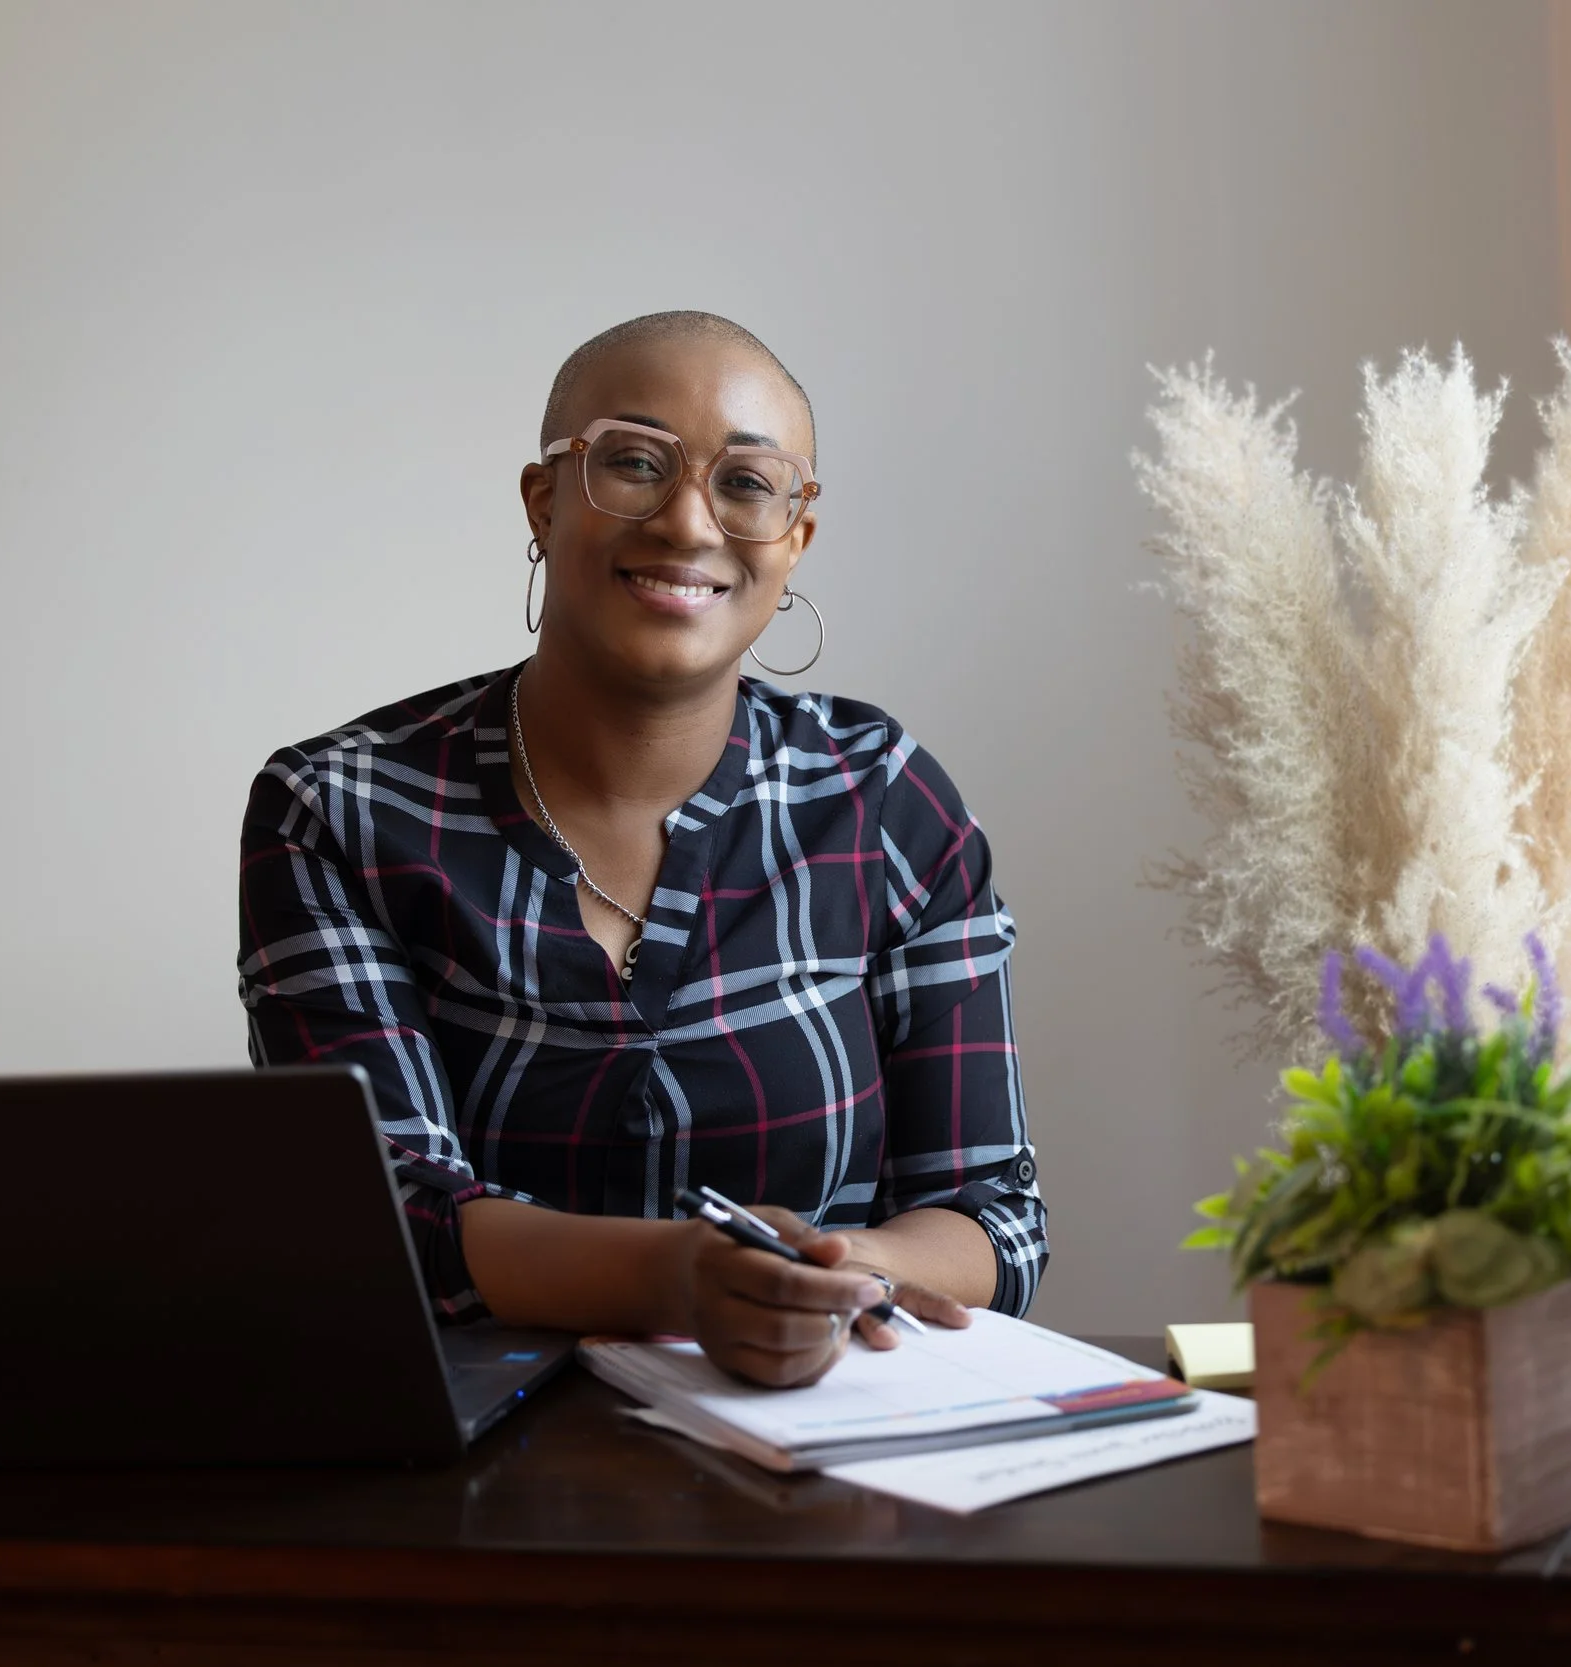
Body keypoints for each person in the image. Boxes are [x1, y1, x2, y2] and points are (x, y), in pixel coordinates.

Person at [235, 312, 1045, 1388]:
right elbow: (388, 1214)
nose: (689, 522)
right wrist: (683, 1277)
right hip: (469, 1466)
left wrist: (818, 1276)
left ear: (795, 537)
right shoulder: (338, 807)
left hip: (824, 1442)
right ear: (542, 500)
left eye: (748, 483)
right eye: (633, 462)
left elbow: (993, 1213)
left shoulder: (883, 798)